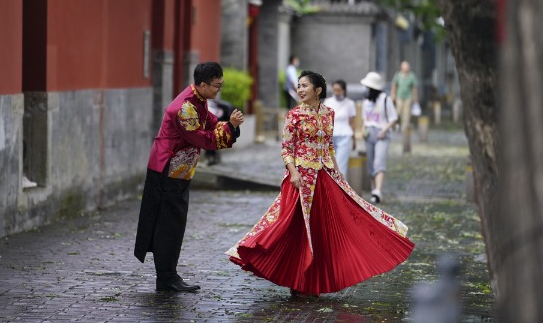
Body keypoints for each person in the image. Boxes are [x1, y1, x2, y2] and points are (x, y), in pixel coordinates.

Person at [227, 70, 414, 296]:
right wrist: (293, 172)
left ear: (318, 90)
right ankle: (297, 280)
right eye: (299, 85)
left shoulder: (329, 114)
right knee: (294, 230)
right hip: (300, 179)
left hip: (325, 176)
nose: (300, 89)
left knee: (324, 229)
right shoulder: (294, 115)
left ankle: (314, 281)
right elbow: (287, 148)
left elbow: (329, 146)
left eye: (305, 85)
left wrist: (337, 172)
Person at [135, 62, 245, 292]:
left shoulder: (198, 100)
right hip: (168, 170)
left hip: (178, 170)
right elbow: (203, 139)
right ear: (203, 84)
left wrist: (229, 126)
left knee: (174, 224)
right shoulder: (185, 107)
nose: (219, 90)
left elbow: (212, 124)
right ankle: (166, 278)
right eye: (216, 86)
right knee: (168, 225)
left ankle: (168, 276)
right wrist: (230, 126)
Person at [360, 71, 398, 204]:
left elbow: (393, 118)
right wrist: (363, 129)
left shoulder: (385, 99)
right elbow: (365, 118)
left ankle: (378, 191)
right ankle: (374, 189)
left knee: (378, 162)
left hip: (382, 133)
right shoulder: (366, 100)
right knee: (370, 163)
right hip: (369, 133)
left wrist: (384, 130)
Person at [323, 80, 357, 180]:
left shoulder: (350, 103)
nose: (336, 93)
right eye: (334, 90)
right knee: (329, 165)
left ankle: (341, 190)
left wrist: (354, 139)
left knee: (341, 165)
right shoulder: (328, 102)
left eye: (339, 90)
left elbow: (352, 122)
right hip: (330, 137)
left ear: (343, 90)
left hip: (344, 135)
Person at [390, 61, 419, 133]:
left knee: (406, 113)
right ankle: (394, 125)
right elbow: (394, 85)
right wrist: (393, 95)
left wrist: (415, 97)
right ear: (402, 67)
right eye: (405, 66)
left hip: (408, 97)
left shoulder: (411, 76)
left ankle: (404, 128)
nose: (407, 68)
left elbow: (414, 87)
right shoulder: (398, 75)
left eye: (407, 66)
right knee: (397, 112)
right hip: (399, 96)